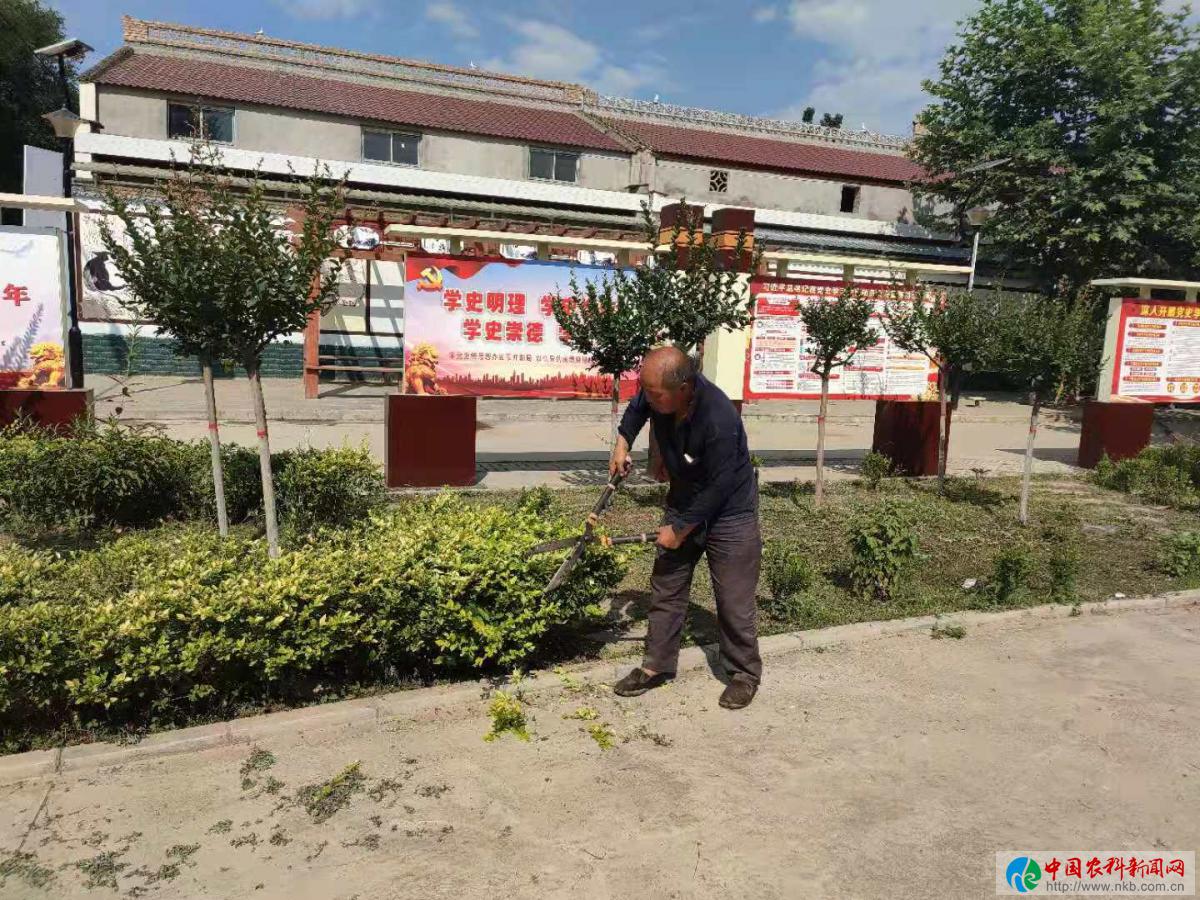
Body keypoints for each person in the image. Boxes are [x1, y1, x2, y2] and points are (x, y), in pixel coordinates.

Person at [610, 346, 762, 709]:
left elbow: (719, 487)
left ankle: (744, 673)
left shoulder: (719, 417)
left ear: (684, 387)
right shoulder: (659, 393)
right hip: (684, 498)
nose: (648, 398)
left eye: (655, 394)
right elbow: (638, 407)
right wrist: (622, 442)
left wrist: (679, 529)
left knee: (734, 600)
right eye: (646, 390)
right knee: (666, 586)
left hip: (730, 512)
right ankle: (656, 666)